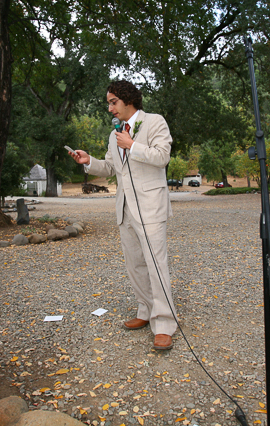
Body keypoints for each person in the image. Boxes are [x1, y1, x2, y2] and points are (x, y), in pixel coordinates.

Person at [70, 80, 177, 350]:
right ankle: (145, 310)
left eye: (113, 102)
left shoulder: (155, 122)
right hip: (125, 208)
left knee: (156, 264)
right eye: (109, 103)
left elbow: (162, 156)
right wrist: (89, 161)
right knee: (135, 264)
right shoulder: (114, 134)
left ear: (128, 99)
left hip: (151, 207)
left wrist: (132, 145)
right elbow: (110, 166)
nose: (110, 108)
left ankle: (164, 323)